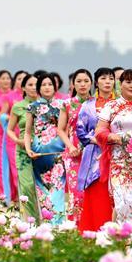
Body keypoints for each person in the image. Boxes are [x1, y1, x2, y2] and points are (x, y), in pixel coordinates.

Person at [95, 69, 132, 242]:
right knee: (122, 202)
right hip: (120, 163)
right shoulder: (110, 106)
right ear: (120, 84)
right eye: (128, 82)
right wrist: (116, 137)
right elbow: (100, 131)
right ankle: (121, 240)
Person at [25, 74, 78, 225]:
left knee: (58, 190)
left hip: (59, 153)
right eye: (43, 85)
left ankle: (58, 224)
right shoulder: (32, 107)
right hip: (39, 154)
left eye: (50, 84)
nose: (47, 87)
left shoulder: (63, 104)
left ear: (55, 87)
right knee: (42, 191)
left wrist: (69, 146)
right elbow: (28, 132)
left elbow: (68, 128)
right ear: (38, 88)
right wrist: (29, 149)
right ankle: (47, 225)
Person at [76, 68, 116, 232]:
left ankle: (115, 232)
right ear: (97, 82)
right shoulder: (88, 105)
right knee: (95, 193)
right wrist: (97, 139)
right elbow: (80, 130)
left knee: (114, 193)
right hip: (93, 155)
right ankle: (92, 230)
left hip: (115, 154)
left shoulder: (120, 104)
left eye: (111, 78)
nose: (108, 81)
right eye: (103, 78)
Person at [58, 69, 93, 221]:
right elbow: (60, 129)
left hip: (92, 153)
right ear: (73, 84)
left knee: (90, 192)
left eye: (86, 81)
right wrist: (70, 147)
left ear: (91, 83)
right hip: (72, 154)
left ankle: (90, 224)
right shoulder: (67, 104)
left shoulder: (96, 104)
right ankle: (75, 226)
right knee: (76, 192)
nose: (83, 84)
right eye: (79, 81)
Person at [6, 73, 40, 221]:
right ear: (23, 88)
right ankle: (31, 220)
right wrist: (17, 141)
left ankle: (45, 218)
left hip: (42, 151)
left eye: (36, 84)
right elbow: (9, 129)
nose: (33, 88)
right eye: (30, 85)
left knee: (42, 187)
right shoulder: (18, 107)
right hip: (22, 151)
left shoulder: (45, 105)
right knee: (27, 186)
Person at [0, 70, 19, 203]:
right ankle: (4, 195)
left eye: (8, 78)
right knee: (1, 165)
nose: (6, 81)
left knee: (15, 164)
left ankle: (17, 195)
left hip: (14, 133)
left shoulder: (15, 95)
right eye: (3, 78)